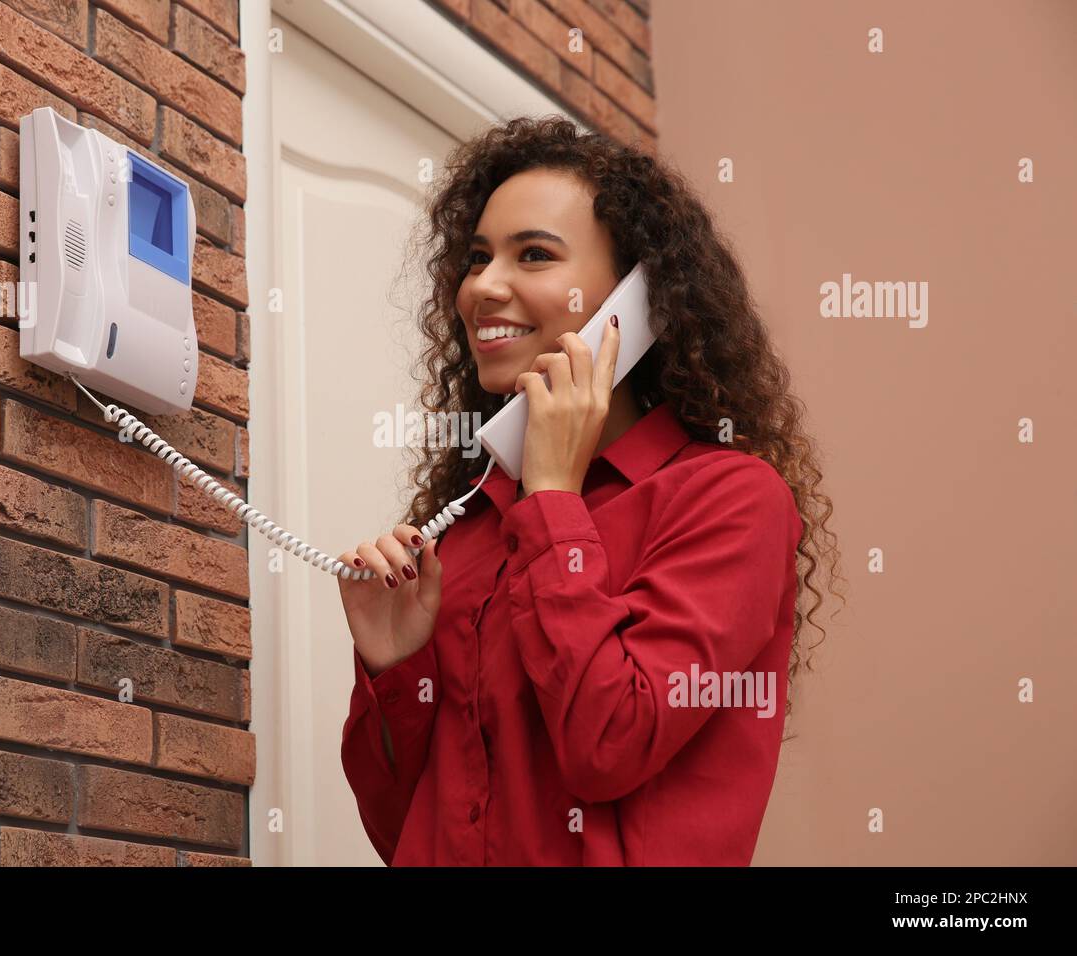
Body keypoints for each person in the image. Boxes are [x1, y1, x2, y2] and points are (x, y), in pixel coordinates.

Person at [336, 116, 843, 866]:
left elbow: (610, 743)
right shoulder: (468, 532)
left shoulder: (733, 500)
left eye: (533, 254)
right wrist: (392, 669)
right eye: (476, 259)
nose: (482, 287)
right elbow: (400, 829)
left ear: (637, 304)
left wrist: (551, 500)